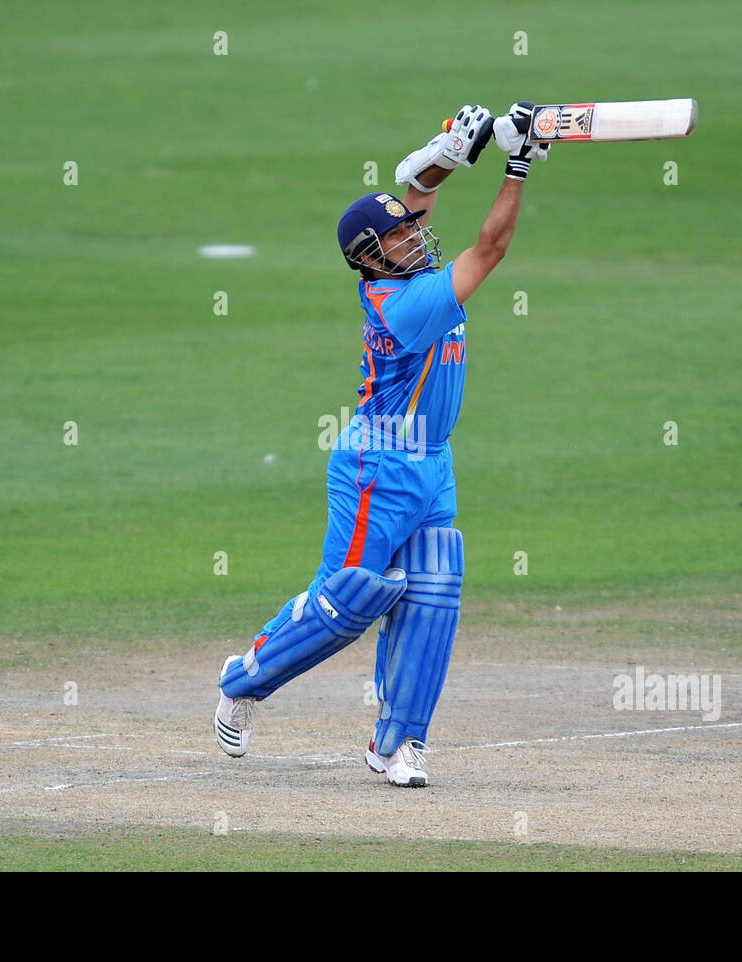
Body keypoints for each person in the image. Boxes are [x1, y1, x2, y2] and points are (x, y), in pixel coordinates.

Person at [213, 102, 549, 786]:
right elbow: (491, 249)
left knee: (433, 591)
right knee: (352, 596)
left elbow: (415, 188)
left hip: (432, 459)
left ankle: (398, 743)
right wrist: (516, 165)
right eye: (399, 239)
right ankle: (245, 678)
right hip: (380, 461)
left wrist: (460, 147)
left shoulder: (407, 272)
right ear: (370, 258)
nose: (416, 238)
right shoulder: (406, 305)